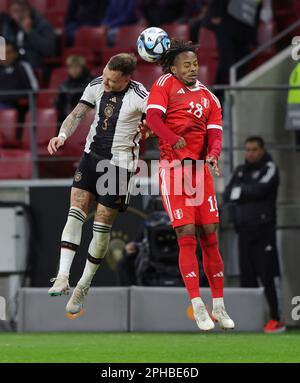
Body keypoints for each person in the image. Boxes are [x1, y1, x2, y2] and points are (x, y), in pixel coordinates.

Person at [47, 53, 148, 317]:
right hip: (91, 158)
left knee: (101, 224)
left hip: (119, 166)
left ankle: (84, 284)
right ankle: (62, 276)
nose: (106, 84)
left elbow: (160, 120)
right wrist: (62, 135)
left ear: (127, 79)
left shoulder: (141, 95)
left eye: (112, 81)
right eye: (104, 76)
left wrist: (150, 128)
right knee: (76, 209)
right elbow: (77, 113)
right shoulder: (96, 84)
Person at [145, 39, 234, 331]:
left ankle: (219, 306)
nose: (193, 68)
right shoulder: (164, 84)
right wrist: (172, 139)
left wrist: (213, 155)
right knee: (186, 234)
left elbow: (216, 134)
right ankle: (197, 304)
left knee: (210, 236)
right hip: (173, 171)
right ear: (173, 66)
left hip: (200, 173)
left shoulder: (210, 98)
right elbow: (153, 118)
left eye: (195, 64)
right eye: (187, 64)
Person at [223, 136, 285, 333]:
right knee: (247, 279)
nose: (251, 153)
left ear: (262, 150)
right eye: (248, 149)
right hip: (243, 233)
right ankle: (251, 322)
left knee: (268, 277)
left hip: (264, 233)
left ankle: (276, 318)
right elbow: (227, 193)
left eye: (254, 149)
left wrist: (241, 192)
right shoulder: (241, 170)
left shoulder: (270, 168)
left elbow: (261, 189)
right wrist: (244, 192)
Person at [0, 0, 56, 69]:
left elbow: (49, 50)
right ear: (11, 13)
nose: (20, 15)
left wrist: (30, 31)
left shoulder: (42, 24)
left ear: (29, 11)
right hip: (12, 64)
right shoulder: (9, 25)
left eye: (23, 10)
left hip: (33, 65)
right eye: (15, 11)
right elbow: (5, 45)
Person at [55, 55, 92, 128]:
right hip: (67, 119)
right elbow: (59, 106)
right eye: (71, 67)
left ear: (82, 68)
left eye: (77, 67)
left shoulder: (90, 83)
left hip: (86, 119)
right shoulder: (64, 86)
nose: (74, 70)